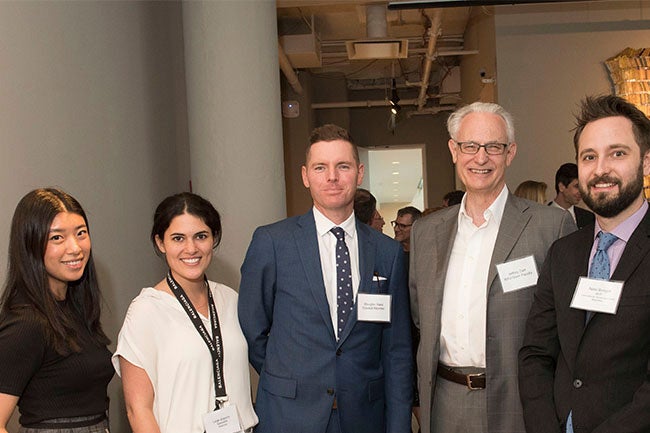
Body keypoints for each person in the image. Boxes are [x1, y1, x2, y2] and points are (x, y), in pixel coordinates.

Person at [409, 102, 576, 433]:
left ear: (510, 153)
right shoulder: (425, 232)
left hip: (520, 403)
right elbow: (419, 317)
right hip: (444, 402)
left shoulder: (550, 226)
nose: (480, 158)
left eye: (493, 147)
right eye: (469, 146)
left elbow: (567, 330)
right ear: (454, 151)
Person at [238, 124, 413, 433]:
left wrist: (399, 426)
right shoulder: (272, 242)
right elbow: (253, 329)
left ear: (359, 173)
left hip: (364, 416)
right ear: (306, 176)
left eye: (342, 166)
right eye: (321, 167)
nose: (332, 177)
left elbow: (396, 349)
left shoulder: (388, 253)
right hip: (289, 415)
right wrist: (292, 378)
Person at [519, 95, 650, 432]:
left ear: (646, 162)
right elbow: (536, 353)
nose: (601, 169)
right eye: (589, 156)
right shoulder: (563, 253)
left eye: (617, 153)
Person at [113, 192, 258, 433]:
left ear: (214, 239)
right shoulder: (145, 310)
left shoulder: (230, 300)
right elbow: (138, 410)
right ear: (161, 243)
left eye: (201, 236)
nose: (191, 248)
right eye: (178, 238)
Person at [0, 188, 113, 433]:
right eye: (57, 238)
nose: (75, 248)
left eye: (81, 233)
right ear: (30, 245)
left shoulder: (75, 310)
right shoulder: (26, 323)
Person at [549, 162, 595, 229]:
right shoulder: (542, 217)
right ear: (561, 187)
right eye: (577, 186)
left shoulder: (589, 218)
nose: (581, 192)